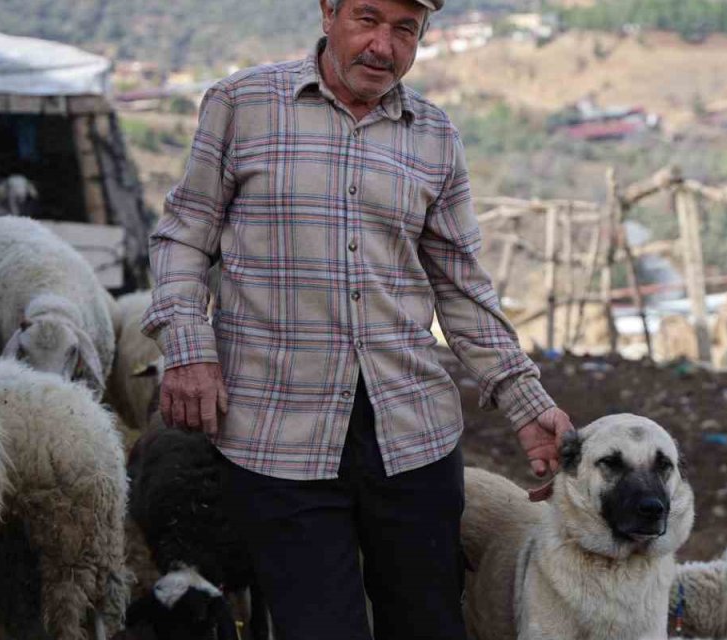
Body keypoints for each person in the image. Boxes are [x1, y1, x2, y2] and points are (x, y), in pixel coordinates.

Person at [140, 0, 573, 637]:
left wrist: (527, 402)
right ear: (328, 11)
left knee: (427, 623)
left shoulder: (434, 135)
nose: (384, 46)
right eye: (367, 19)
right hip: (277, 436)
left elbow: (460, 288)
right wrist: (188, 346)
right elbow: (182, 236)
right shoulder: (242, 105)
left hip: (412, 435)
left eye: (406, 29)